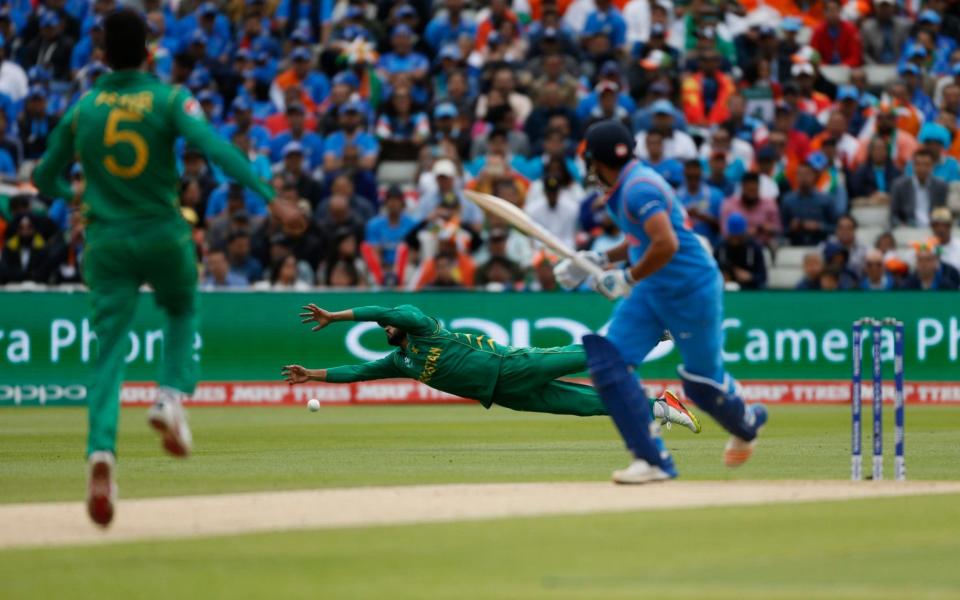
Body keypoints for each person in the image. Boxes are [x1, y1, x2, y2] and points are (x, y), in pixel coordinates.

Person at [31, 9, 297, 528]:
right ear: (151, 51)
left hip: (105, 240)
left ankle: (100, 454)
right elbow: (216, 149)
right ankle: (170, 396)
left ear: (101, 54)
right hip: (162, 232)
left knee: (107, 351)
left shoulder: (84, 108)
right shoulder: (169, 98)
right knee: (180, 308)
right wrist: (270, 196)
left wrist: (75, 193)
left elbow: (43, 176)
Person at [553, 120, 766, 484]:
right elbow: (641, 240)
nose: (587, 170)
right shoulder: (627, 184)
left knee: (702, 386)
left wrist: (626, 278)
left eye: (589, 162)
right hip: (654, 289)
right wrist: (600, 259)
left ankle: (747, 424)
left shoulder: (639, 188)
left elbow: (665, 244)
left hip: (691, 289)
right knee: (608, 362)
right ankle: (652, 460)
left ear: (597, 160)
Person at [284, 303, 701, 432]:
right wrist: (311, 376)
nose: (386, 324)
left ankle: (649, 331)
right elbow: (356, 373)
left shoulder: (421, 325)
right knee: (583, 404)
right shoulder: (402, 359)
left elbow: (383, 308)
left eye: (388, 321)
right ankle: (657, 407)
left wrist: (336, 317)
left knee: (584, 355)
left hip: (509, 365)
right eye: (384, 326)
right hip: (503, 394)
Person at [890, 149, 948, 227]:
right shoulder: (900, 186)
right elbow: (894, 215)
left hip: (933, 229)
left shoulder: (941, 186)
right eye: (918, 164)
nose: (922, 169)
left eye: (926, 164)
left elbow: (943, 212)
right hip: (908, 229)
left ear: (932, 166)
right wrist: (901, 226)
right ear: (913, 165)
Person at [715, 213, 767, 290]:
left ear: (744, 233)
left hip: (750, 289)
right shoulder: (721, 247)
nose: (735, 239)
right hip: (725, 289)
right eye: (733, 236)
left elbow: (763, 277)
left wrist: (750, 277)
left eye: (738, 236)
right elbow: (712, 272)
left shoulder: (754, 247)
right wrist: (721, 277)